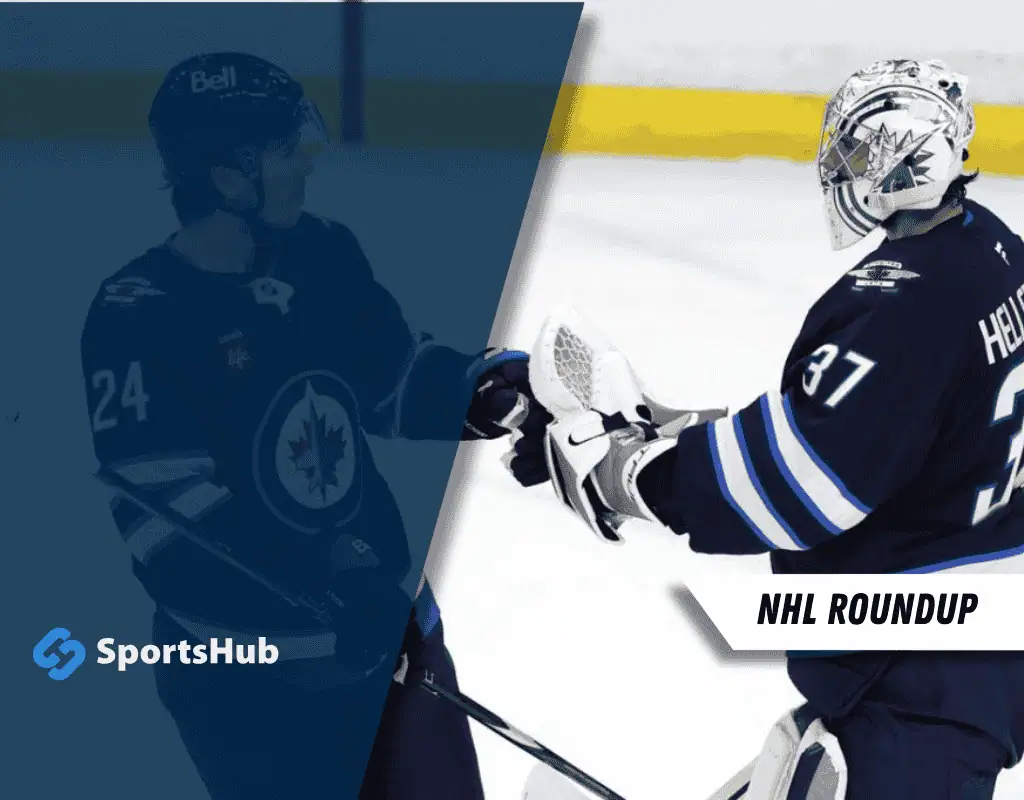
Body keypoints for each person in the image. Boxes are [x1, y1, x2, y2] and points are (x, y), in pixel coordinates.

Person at [514, 59, 1024, 798]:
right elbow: (900, 433)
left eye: (857, 152)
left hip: (919, 674)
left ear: (904, 157)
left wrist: (626, 474)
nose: (840, 169)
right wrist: (679, 431)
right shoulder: (993, 250)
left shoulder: (901, 304)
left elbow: (801, 486)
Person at [80, 52, 550, 800]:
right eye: (283, 151)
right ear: (229, 176)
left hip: (396, 641)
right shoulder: (137, 315)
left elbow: (389, 374)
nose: (306, 164)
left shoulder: (322, 252)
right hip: (253, 690)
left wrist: (482, 389)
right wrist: (329, 590)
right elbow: (167, 528)